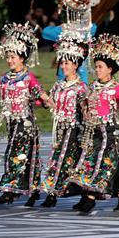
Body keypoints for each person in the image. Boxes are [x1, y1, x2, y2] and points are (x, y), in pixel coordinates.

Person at [69, 34, 119, 213]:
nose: (97, 70)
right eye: (96, 66)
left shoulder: (115, 87)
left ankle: (90, 198)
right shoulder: (93, 86)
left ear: (110, 69)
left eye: (100, 67)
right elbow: (85, 102)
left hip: (108, 130)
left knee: (101, 161)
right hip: (92, 129)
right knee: (109, 162)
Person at [0, 23, 42, 206]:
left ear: (22, 58)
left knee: (15, 154)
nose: (10, 60)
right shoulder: (6, 78)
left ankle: (9, 189)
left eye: (13, 57)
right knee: (21, 155)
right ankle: (30, 189)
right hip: (12, 123)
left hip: (25, 123)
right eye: (8, 57)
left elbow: (39, 94)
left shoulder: (28, 78)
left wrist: (47, 101)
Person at [37, 31, 88, 208]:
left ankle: (53, 195)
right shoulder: (58, 85)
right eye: (62, 63)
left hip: (74, 131)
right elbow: (49, 103)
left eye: (66, 63)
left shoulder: (81, 88)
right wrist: (41, 99)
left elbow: (86, 111)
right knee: (59, 160)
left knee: (64, 161)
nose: (63, 67)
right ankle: (59, 192)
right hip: (59, 130)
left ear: (75, 65)